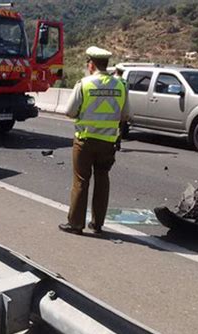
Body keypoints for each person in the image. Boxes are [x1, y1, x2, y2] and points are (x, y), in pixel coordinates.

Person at [59, 46, 130, 235]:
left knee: (81, 182)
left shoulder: (85, 84)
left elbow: (69, 111)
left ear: (91, 64)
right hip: (108, 142)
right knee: (102, 180)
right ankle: (97, 224)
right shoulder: (120, 85)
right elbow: (126, 115)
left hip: (85, 141)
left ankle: (75, 224)